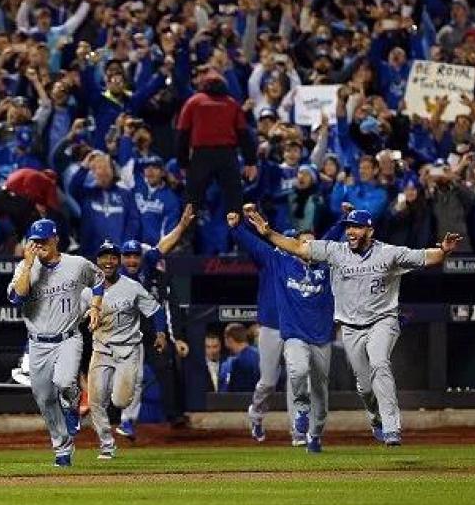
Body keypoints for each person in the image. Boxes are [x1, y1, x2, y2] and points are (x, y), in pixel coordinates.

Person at [243, 208, 463, 446]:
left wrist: (443, 250)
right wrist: (268, 233)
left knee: (380, 363)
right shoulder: (335, 251)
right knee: (366, 386)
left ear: (370, 230)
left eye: (356, 227)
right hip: (350, 327)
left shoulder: (388, 253)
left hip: (383, 320)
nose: (350, 231)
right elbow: (298, 248)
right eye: (348, 227)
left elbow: (425, 257)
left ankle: (391, 427)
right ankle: (376, 418)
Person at [227, 211, 335, 454]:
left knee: (297, 378)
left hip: (297, 328)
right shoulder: (273, 260)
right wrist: (237, 228)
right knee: (267, 382)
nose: (288, 247)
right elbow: (252, 243)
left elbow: (329, 241)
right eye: (285, 243)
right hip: (272, 327)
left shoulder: (310, 264)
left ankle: (298, 432)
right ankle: (255, 413)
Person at [7, 219, 104, 467]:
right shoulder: (24, 268)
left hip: (68, 338)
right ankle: (62, 448)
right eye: (35, 241)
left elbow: (99, 278)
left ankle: (73, 402)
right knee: (45, 400)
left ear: (55, 239)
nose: (40, 245)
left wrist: (95, 305)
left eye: (44, 240)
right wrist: (28, 266)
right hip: (37, 344)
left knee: (63, 381)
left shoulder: (77, 264)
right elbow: (17, 298)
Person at [113, 204, 195, 438]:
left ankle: (172, 416)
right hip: (127, 331)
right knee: (133, 377)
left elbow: (165, 245)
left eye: (134, 256)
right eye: (127, 256)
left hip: (152, 330)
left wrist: (181, 226)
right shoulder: (113, 275)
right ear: (121, 258)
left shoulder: (148, 264)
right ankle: (126, 421)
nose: (131, 260)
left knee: (162, 370)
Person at [81, 241, 167, 459]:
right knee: (95, 400)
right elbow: (73, 317)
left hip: (128, 350)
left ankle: (123, 412)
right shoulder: (87, 290)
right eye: (104, 257)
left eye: (112, 257)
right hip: (101, 349)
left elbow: (156, 310)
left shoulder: (132, 286)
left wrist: (160, 334)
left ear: (118, 261)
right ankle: (107, 444)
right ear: (97, 261)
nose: (108, 261)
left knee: (119, 401)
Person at [176, 69, 256, 214]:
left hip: (201, 156)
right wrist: (250, 161)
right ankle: (237, 233)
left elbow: (183, 133)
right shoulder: (232, 103)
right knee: (234, 201)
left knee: (192, 200)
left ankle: (186, 235)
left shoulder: (193, 102)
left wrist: (183, 163)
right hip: (227, 156)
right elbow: (244, 134)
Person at [219, 323, 260, 392]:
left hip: (237, 401)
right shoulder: (260, 355)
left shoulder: (234, 362)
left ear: (230, 339)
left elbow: (226, 392)